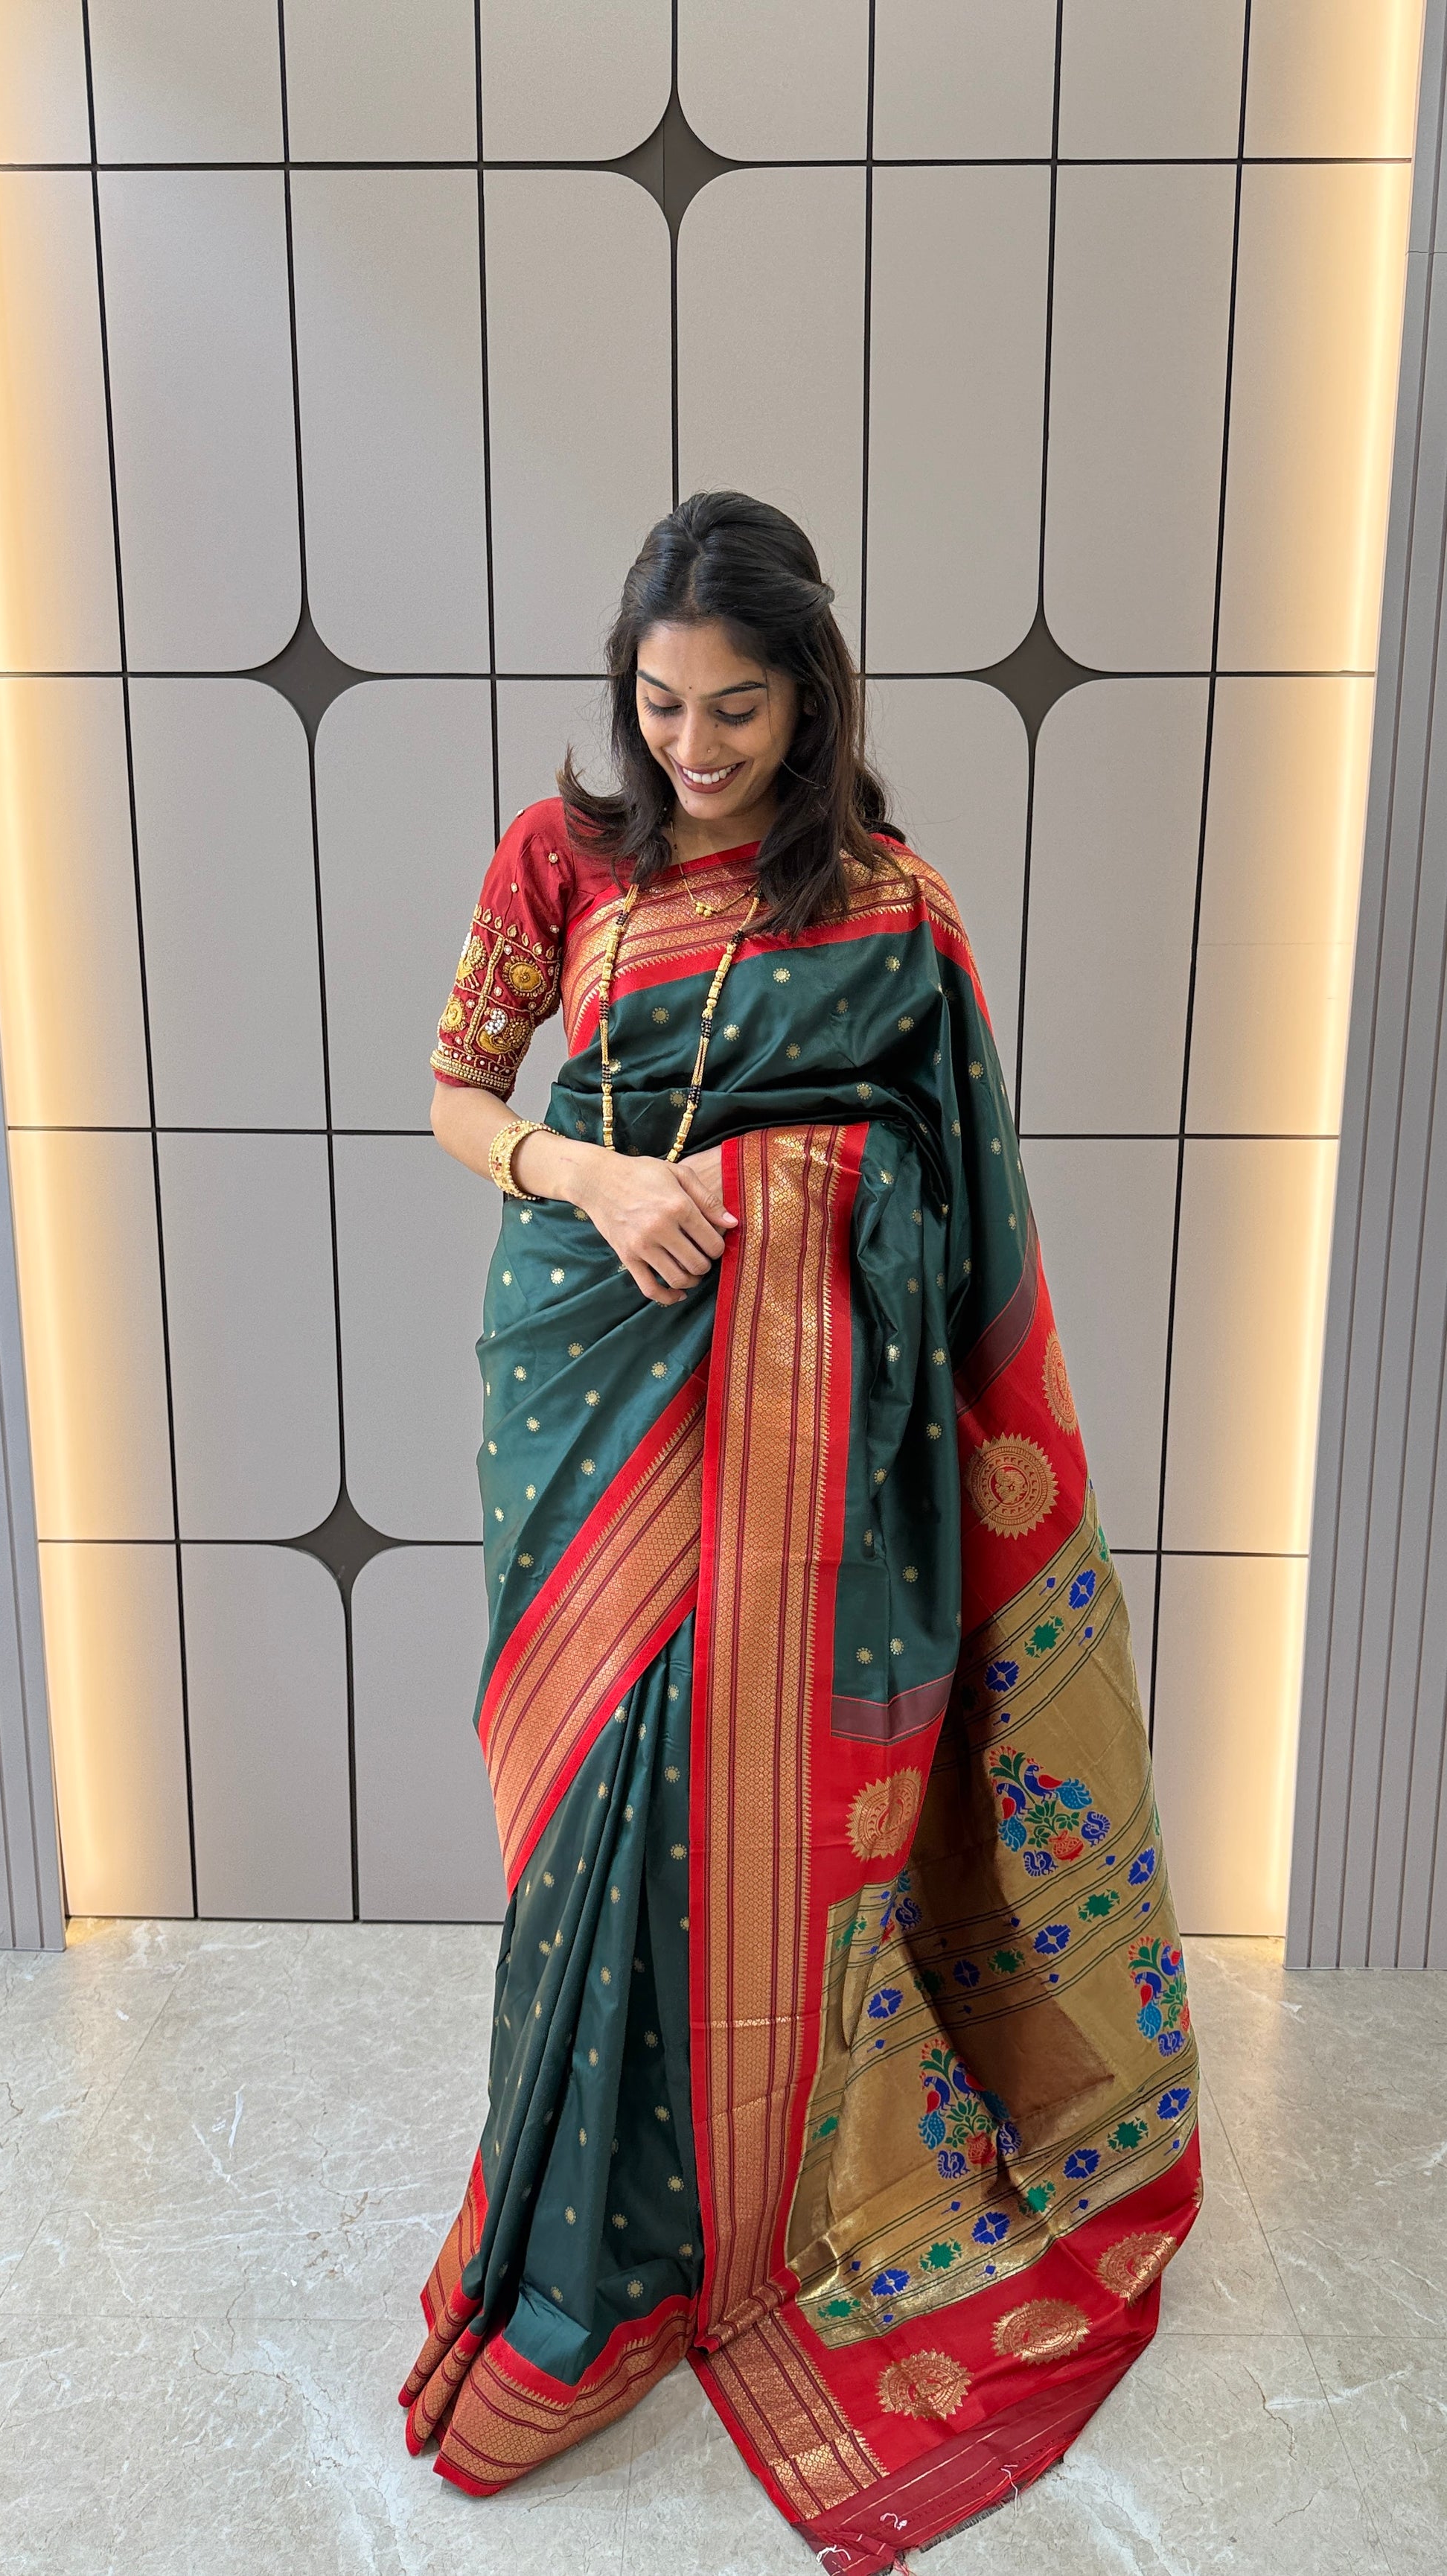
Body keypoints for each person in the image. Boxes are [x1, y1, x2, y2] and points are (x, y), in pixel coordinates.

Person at [400, 491, 1201, 2567]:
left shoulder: (887, 900)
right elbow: (459, 1093)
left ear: (810, 695)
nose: (692, 745)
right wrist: (595, 1180)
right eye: (662, 702)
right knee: (601, 1811)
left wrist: (799, 1204)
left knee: (750, 1804)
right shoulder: (561, 855)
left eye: (736, 708)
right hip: (592, 1390)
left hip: (811, 1420)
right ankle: (586, 2217)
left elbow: (959, 1189)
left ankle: (747, 2206)